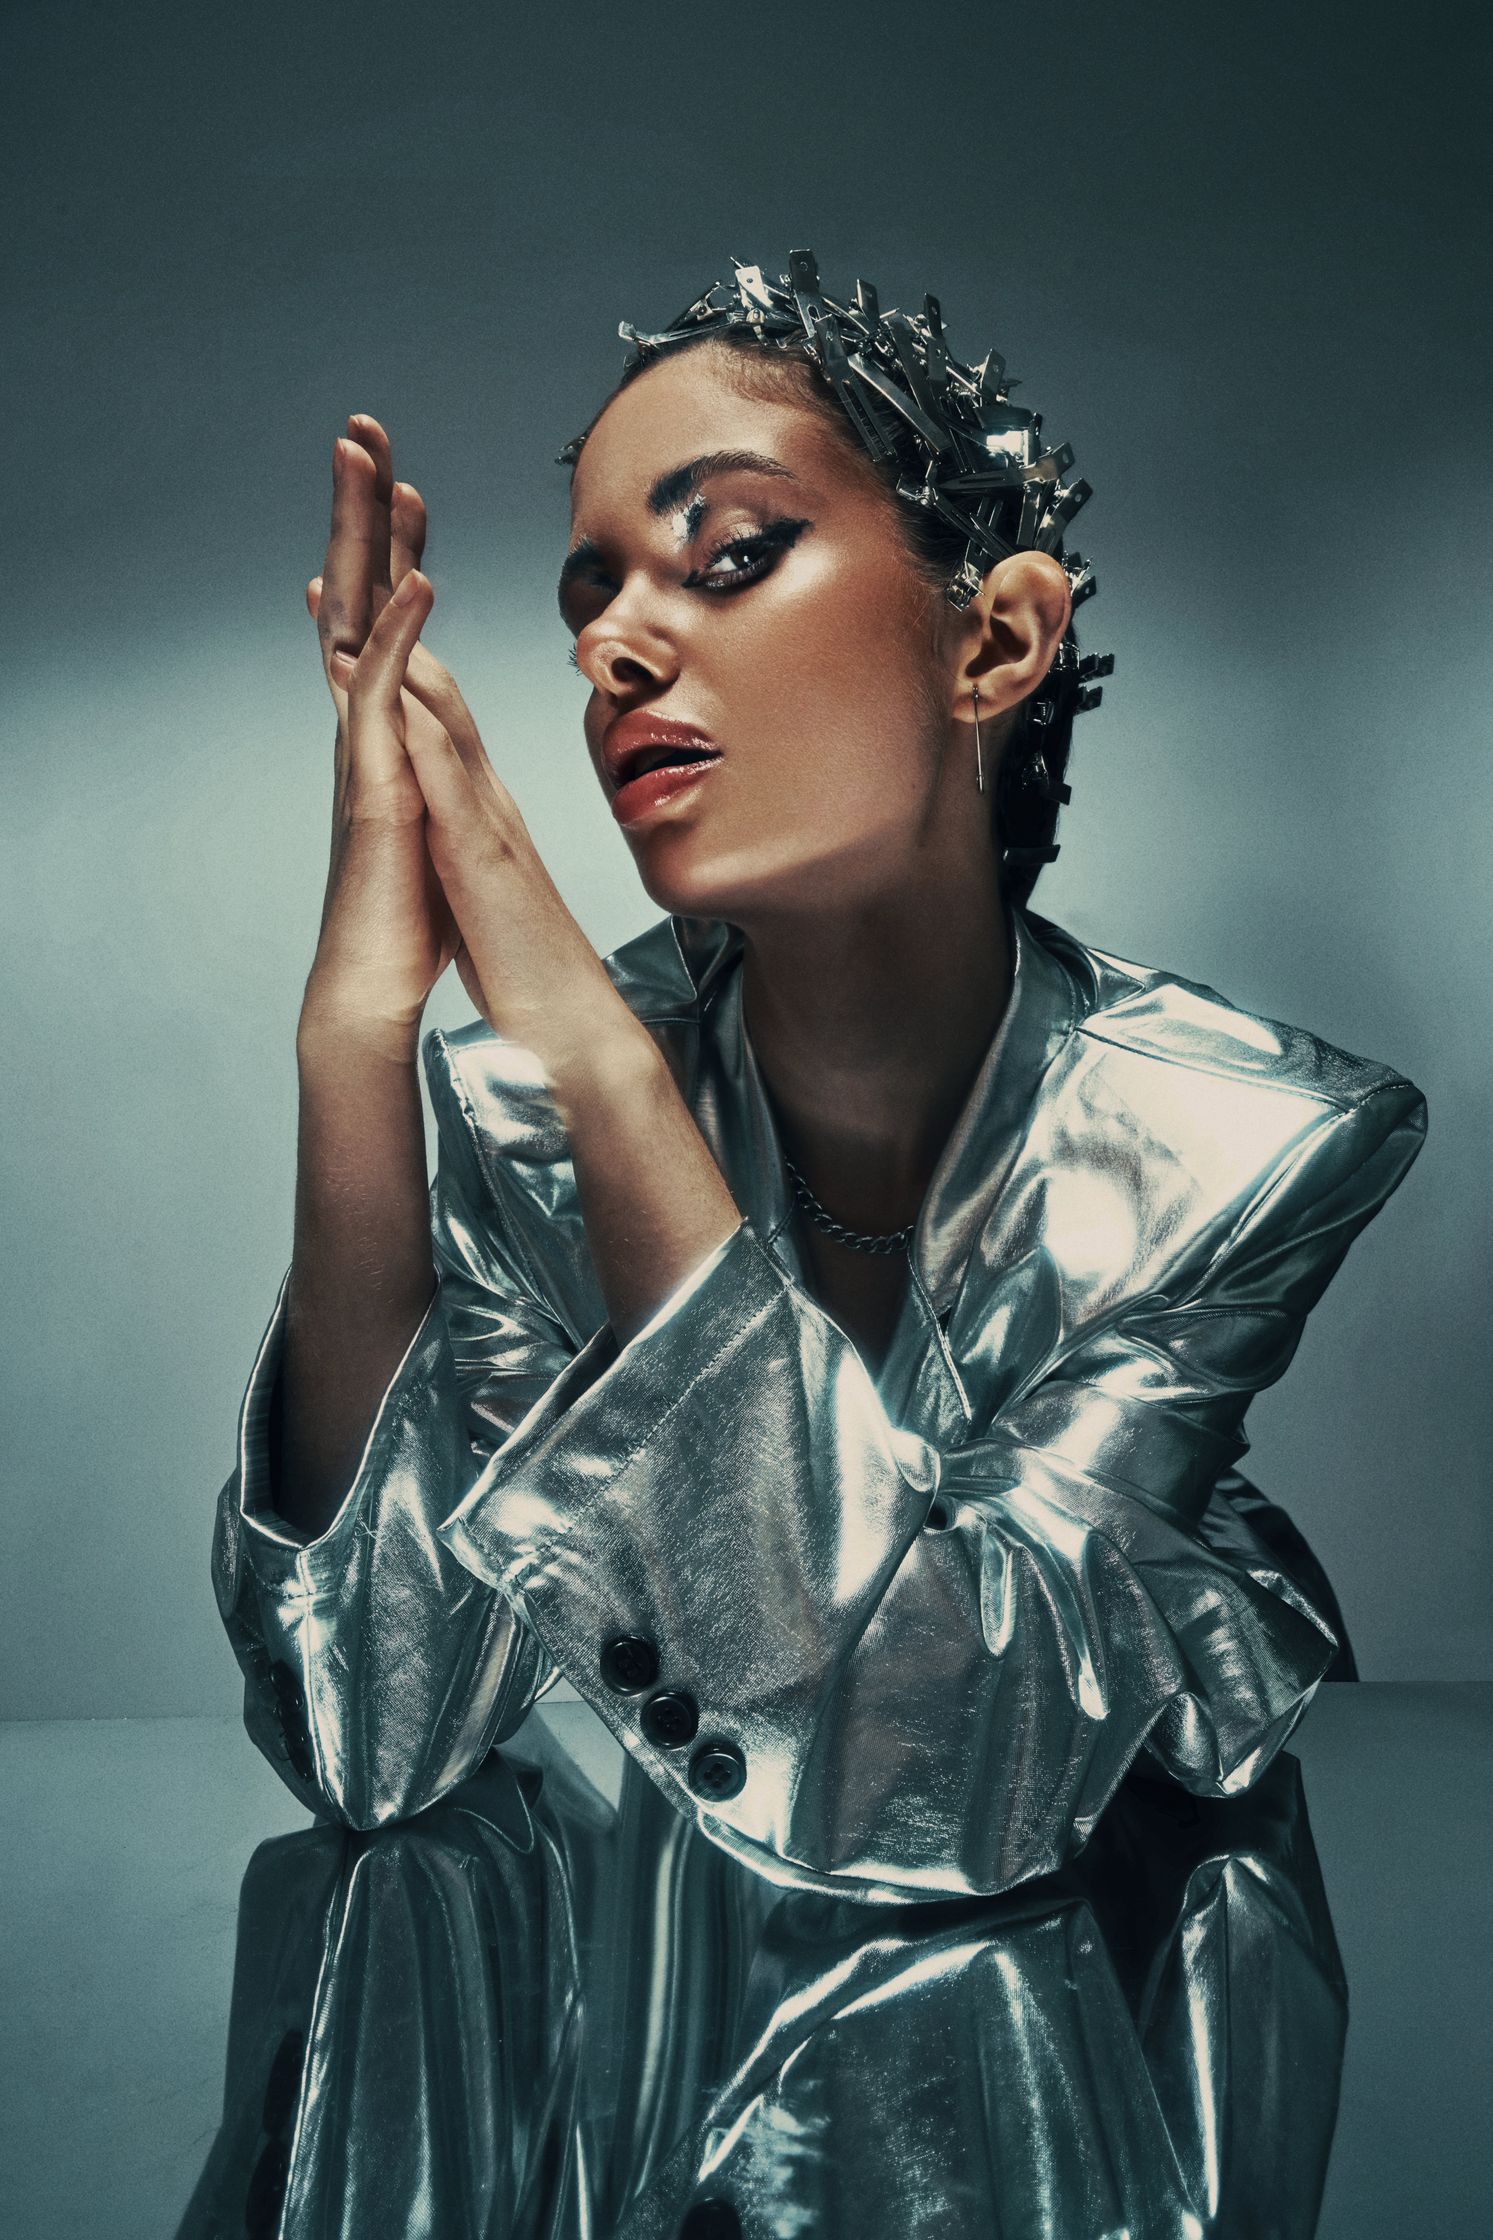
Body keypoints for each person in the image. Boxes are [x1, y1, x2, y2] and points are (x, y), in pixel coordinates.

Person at [213, 253, 1426, 1902]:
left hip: (1128, 1995)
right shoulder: (522, 1120)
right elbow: (371, 1724)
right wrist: (354, 1034)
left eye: (726, 557)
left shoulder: (1245, 1145)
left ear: (994, 641)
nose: (611, 649)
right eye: (590, 595)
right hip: (680, 2076)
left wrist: (602, 1070)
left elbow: (939, 1766)